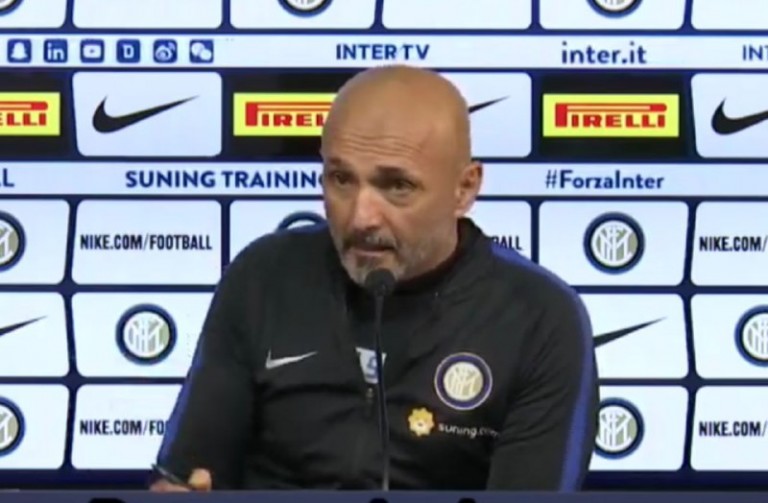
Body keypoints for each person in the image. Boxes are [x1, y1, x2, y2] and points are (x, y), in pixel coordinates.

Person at [149, 64, 599, 492]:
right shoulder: (264, 276)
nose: (361, 216)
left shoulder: (538, 318)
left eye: (397, 186)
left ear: (464, 189)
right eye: (341, 179)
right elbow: (190, 474)